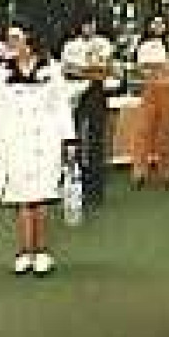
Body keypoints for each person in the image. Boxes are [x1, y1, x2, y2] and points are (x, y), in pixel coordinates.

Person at [0, 19, 76, 275]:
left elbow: (61, 107)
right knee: (22, 197)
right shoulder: (2, 73)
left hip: (46, 140)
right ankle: (25, 251)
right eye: (9, 39)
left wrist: (69, 140)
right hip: (16, 141)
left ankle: (42, 251)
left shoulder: (52, 69)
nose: (12, 44)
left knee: (41, 197)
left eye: (17, 38)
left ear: (30, 41)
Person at [60, 14, 116, 208]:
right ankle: (73, 183)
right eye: (85, 24)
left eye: (91, 24)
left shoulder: (103, 43)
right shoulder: (70, 46)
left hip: (96, 93)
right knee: (74, 140)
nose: (89, 28)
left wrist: (85, 70)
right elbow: (68, 70)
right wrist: (90, 70)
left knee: (96, 141)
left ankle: (96, 190)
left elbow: (105, 69)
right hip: (74, 95)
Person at [130, 13, 169, 186]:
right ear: (150, 25)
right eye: (155, 23)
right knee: (143, 131)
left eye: (161, 23)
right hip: (150, 90)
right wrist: (157, 69)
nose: (158, 26)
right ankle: (139, 172)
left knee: (166, 133)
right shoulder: (144, 45)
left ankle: (165, 173)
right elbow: (141, 68)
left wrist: (160, 69)